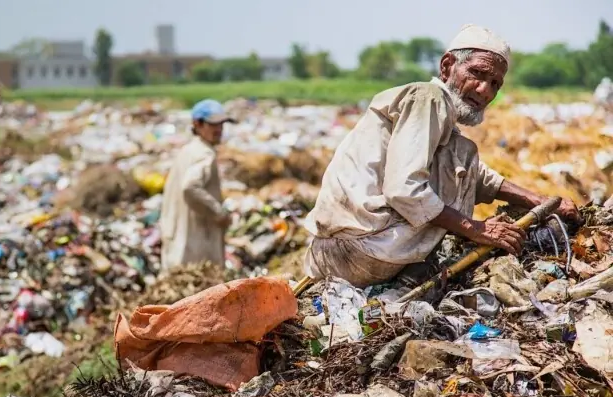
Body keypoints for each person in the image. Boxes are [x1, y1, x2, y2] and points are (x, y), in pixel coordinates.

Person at [303, 24, 580, 288]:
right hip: (363, 248)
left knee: (462, 151)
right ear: (447, 66)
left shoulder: (441, 121)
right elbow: (404, 189)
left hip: (347, 252)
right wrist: (476, 229)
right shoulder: (429, 97)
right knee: (462, 154)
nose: (485, 91)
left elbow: (478, 177)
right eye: (478, 74)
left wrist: (542, 202)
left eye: (495, 83)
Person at [160, 99, 236, 270]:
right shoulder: (204, 154)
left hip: (179, 242)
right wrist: (219, 213)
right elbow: (190, 186)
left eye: (221, 125)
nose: (219, 130)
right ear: (197, 124)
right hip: (196, 247)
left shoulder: (188, 150)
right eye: (213, 125)